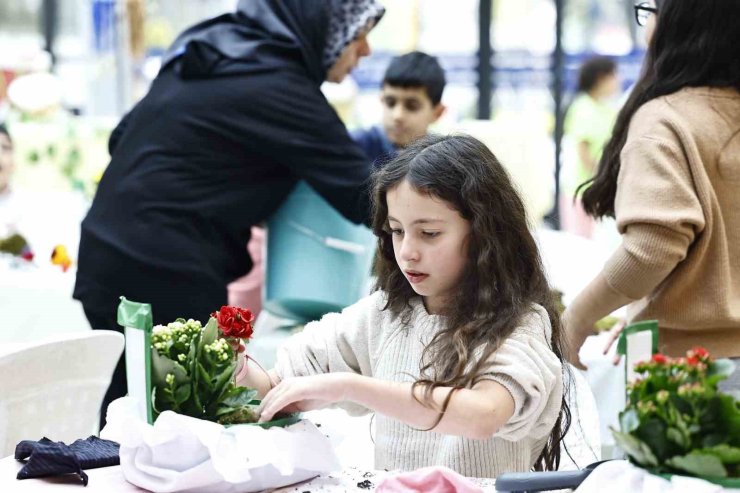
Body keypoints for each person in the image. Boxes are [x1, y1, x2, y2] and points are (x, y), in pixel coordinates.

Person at [74, 0, 386, 425]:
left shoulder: (211, 47)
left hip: (105, 253)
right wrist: (448, 229)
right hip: (167, 266)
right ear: (321, 26)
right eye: (358, 34)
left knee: (131, 408)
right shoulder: (279, 85)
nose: (365, 50)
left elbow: (122, 136)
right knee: (181, 421)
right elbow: (363, 193)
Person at [237, 134, 570, 477]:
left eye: (429, 233)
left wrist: (348, 386)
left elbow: (483, 414)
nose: (408, 251)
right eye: (396, 231)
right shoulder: (384, 314)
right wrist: (234, 365)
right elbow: (274, 390)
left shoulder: (520, 323)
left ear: (485, 233)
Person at [563, 0, 740, 391]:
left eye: (650, 8)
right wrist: (644, 310)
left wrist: (575, 320)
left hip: (690, 373)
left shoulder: (666, 118)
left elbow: (652, 249)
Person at [560, 56, 619, 239]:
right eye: (614, 76)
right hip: (580, 190)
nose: (618, 81)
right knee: (581, 244)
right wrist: (602, 177)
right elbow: (583, 151)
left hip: (597, 189)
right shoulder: (582, 108)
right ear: (601, 78)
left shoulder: (606, 108)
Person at [352, 51, 446, 166]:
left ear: (437, 113)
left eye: (412, 106)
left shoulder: (443, 161)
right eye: (390, 103)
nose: (397, 115)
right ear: (381, 99)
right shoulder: (353, 146)